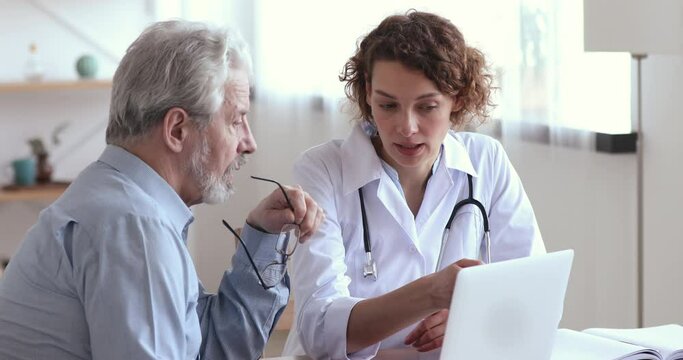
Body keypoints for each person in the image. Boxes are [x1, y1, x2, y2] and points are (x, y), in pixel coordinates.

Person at [0, 20, 323, 360]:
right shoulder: (133, 223)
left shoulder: (123, 201)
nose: (249, 143)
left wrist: (263, 237)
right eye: (235, 120)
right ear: (178, 129)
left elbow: (210, 350)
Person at [283, 10, 544, 359]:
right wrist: (433, 293)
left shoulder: (487, 161)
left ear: (459, 101)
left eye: (427, 107)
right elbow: (320, 332)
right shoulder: (323, 172)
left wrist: (472, 317)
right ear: (367, 97)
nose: (406, 127)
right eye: (388, 105)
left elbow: (534, 292)